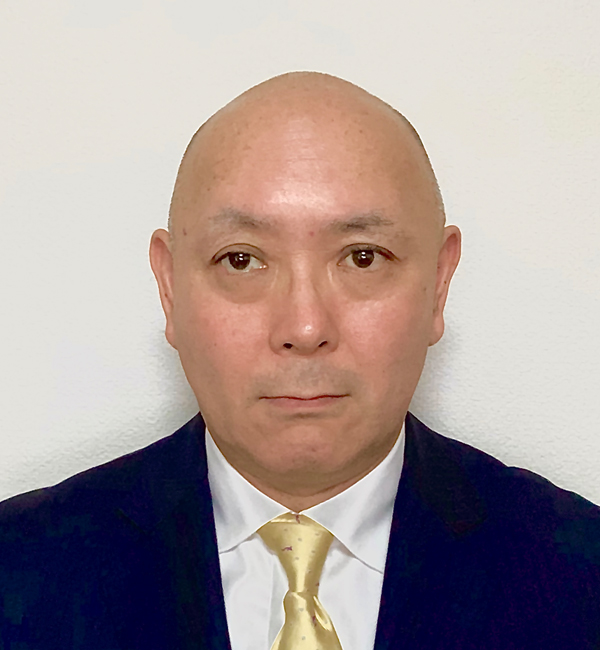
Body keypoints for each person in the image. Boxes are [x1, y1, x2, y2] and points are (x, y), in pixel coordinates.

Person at [0, 71, 598, 650]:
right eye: (241, 260)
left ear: (439, 284)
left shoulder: (579, 578)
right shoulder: (19, 569)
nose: (305, 328)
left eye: (363, 257)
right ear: (170, 287)